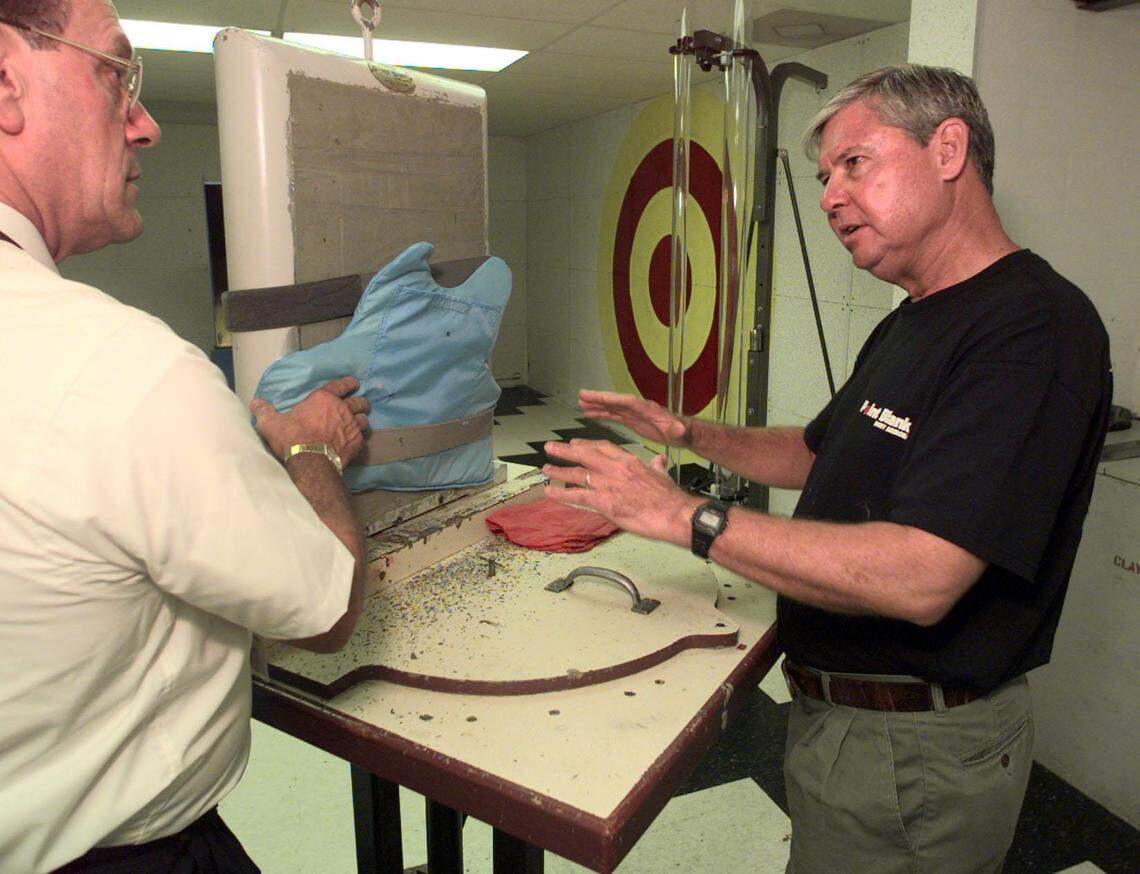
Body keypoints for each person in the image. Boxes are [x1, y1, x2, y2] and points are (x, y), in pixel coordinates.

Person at [544, 64, 1112, 872]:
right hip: (845, 722)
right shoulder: (914, 318)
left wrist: (682, 515)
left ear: (948, 149)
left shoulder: (1033, 329)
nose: (830, 197)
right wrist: (691, 433)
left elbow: (923, 575)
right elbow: (818, 451)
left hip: (914, 749)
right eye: (823, 178)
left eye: (855, 163)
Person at [0, 2, 372, 871]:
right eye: (115, 74)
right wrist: (311, 450)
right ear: (5, 84)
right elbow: (329, 607)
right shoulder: (125, 370)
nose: (145, 124)